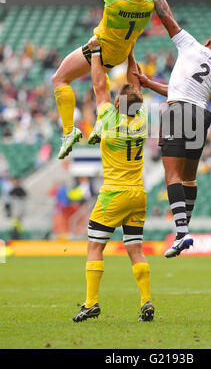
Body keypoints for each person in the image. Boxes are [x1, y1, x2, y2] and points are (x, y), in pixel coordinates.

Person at [134, 0, 211, 258]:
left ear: (207, 43)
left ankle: (182, 232)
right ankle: (183, 231)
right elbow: (182, 90)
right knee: (189, 177)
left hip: (178, 112)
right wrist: (150, 83)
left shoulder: (191, 46)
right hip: (199, 114)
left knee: (171, 174)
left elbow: (163, 11)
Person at [53, 0, 155, 160]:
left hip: (101, 49)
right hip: (121, 52)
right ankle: (100, 123)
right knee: (99, 85)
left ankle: (69, 131)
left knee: (59, 78)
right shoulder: (149, 5)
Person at [73, 47, 154, 323]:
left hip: (113, 194)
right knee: (135, 249)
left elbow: (99, 84)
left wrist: (96, 52)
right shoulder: (142, 121)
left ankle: (91, 302)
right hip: (138, 194)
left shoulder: (109, 119)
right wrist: (130, 53)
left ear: (118, 105)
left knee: (95, 247)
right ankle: (146, 301)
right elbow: (135, 85)